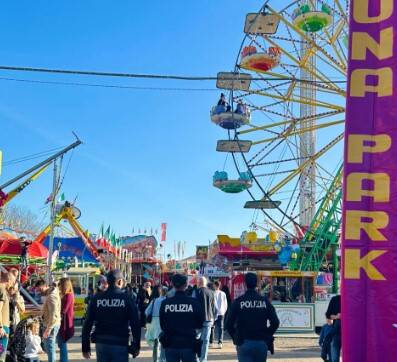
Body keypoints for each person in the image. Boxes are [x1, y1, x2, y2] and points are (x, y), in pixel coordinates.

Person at [82, 269, 141, 362]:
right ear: (120, 281)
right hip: (120, 343)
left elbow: (87, 322)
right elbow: (135, 323)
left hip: (102, 343)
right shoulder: (127, 299)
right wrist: (136, 345)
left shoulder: (97, 298)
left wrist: (85, 347)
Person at [226, 273, 280, 362]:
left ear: (244, 284)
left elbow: (228, 324)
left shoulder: (238, 302)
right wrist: (267, 334)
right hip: (260, 341)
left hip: (244, 341)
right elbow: (275, 322)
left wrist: (236, 338)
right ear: (257, 284)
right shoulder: (264, 302)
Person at [159, 274, 204, 362]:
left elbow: (162, 324)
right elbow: (200, 323)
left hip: (171, 344)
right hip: (189, 344)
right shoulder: (194, 303)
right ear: (186, 284)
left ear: (172, 284)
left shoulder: (165, 303)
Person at [36, 279, 61, 362]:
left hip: (51, 325)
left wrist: (48, 329)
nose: (39, 292)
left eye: (40, 289)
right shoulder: (50, 293)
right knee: (50, 348)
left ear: (45, 286)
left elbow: (54, 314)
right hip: (51, 324)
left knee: (50, 349)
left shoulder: (51, 296)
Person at [195, 277, 217, 362]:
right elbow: (214, 307)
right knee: (205, 341)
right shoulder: (212, 292)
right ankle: (203, 359)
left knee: (196, 339)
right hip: (209, 319)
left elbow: (194, 306)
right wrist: (213, 319)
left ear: (199, 283)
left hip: (197, 320)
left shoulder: (196, 292)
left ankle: (196, 357)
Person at [145, 286, 167, 362]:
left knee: (156, 342)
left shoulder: (154, 300)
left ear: (160, 292)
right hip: (164, 322)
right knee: (164, 342)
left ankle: (155, 360)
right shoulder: (167, 301)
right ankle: (162, 359)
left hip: (154, 322)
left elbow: (147, 312)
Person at [58, 277, 75, 362]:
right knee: (61, 343)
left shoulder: (69, 295)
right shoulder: (67, 295)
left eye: (60, 284)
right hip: (64, 321)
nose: (59, 286)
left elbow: (64, 309)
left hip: (65, 322)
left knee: (62, 343)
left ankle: (64, 360)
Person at [212, 281, 228, 349]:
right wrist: (224, 311)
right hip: (221, 312)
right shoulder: (223, 293)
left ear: (215, 285)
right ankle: (220, 342)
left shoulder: (212, 293)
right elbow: (226, 304)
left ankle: (211, 341)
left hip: (214, 312)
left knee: (212, 327)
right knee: (220, 328)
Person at [325, 295, 341, 362]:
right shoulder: (335, 299)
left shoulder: (354, 298)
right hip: (337, 330)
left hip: (351, 331)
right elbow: (328, 314)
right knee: (334, 346)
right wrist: (337, 317)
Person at [0, 271, 10, 362]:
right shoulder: (2, 290)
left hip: (3, 325)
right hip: (3, 326)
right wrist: (1, 326)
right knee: (1, 355)